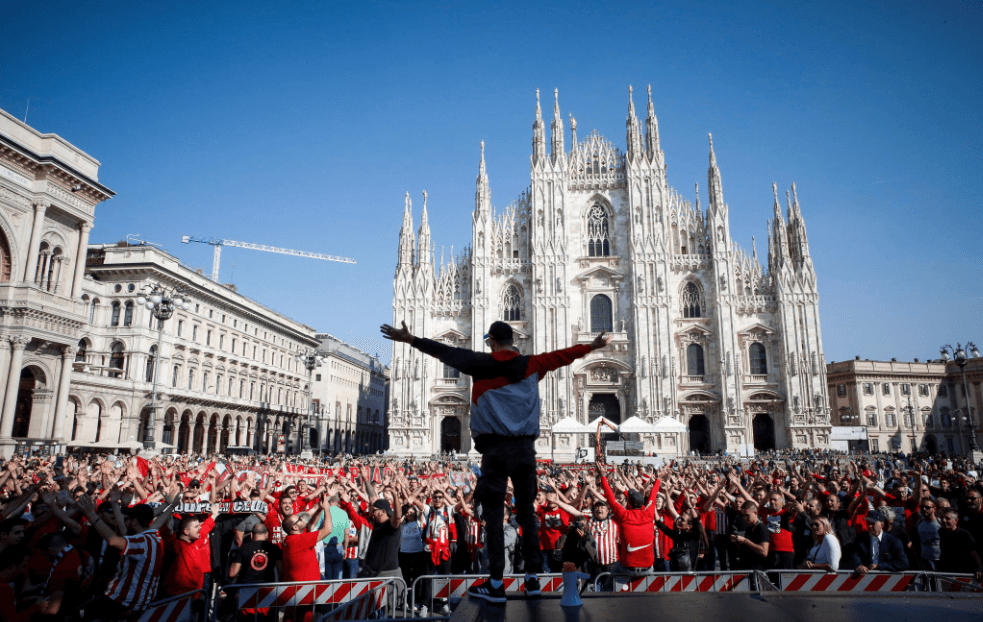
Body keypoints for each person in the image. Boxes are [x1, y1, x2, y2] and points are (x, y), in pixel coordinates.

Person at [381, 319, 611, 603]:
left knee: (493, 518)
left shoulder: (480, 363)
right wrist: (593, 346)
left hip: (495, 451)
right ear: (513, 340)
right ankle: (532, 579)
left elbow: (444, 352)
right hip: (525, 449)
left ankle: (496, 583)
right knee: (527, 514)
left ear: (491, 341)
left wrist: (411, 339)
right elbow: (565, 355)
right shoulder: (532, 364)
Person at [76, 498, 166, 620]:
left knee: (79, 614)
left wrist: (90, 514)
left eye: (127, 520)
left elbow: (113, 540)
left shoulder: (142, 542)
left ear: (135, 521)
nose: (125, 523)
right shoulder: (155, 538)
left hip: (123, 602)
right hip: (137, 601)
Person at [161, 503, 221, 597]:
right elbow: (167, 537)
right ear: (186, 531)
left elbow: (205, 528)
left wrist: (213, 515)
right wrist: (168, 528)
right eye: (196, 526)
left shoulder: (196, 542)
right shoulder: (176, 545)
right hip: (177, 597)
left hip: (195, 595)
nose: (200, 527)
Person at [846, 510, 908, 574]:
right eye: (868, 523)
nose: (869, 526)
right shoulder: (860, 539)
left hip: (886, 579)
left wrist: (879, 566)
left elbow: (903, 563)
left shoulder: (894, 541)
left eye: (873, 523)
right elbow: (855, 555)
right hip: (864, 580)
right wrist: (859, 565)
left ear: (882, 525)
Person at [937, 508, 983, 581]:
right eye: (942, 518)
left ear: (956, 521)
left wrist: (980, 569)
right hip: (946, 575)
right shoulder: (941, 532)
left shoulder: (964, 535)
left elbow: (974, 554)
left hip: (962, 575)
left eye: (947, 518)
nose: (944, 520)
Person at [731, 501, 770, 571]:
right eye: (743, 515)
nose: (745, 518)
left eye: (747, 515)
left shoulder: (761, 528)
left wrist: (745, 541)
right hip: (748, 567)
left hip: (758, 569)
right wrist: (737, 542)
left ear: (755, 513)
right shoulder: (749, 528)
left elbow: (764, 552)